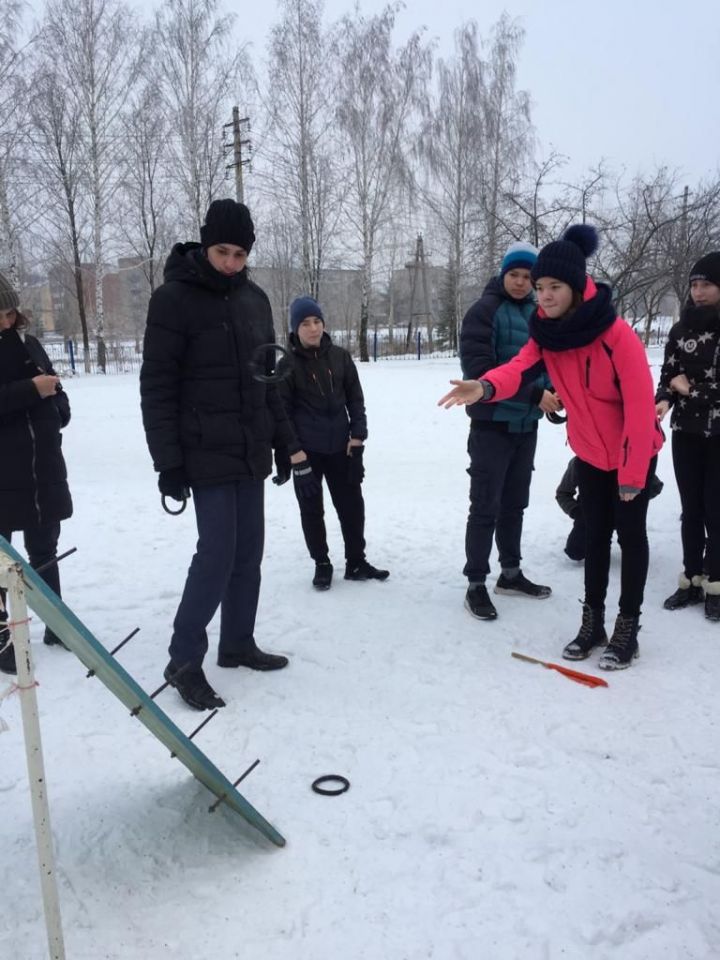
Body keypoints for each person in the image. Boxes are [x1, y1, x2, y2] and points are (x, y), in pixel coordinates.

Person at [440, 225, 664, 670]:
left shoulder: (617, 336)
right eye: (539, 287)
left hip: (630, 453)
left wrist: (633, 476)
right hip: (590, 454)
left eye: (552, 287)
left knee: (630, 537)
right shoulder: (546, 335)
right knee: (595, 536)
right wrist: (484, 387)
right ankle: (593, 622)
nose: (542, 295)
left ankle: (627, 628)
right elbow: (516, 370)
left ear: (578, 287)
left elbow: (641, 412)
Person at [140, 199, 305, 710]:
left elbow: (270, 379)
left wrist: (282, 441)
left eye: (240, 253)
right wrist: (167, 462)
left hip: (249, 446)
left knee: (248, 552)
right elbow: (157, 386)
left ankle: (236, 643)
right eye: (222, 251)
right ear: (204, 246)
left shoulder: (255, 300)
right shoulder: (173, 300)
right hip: (203, 450)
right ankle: (184, 659)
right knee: (216, 553)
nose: (232, 262)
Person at [459, 241, 559, 621]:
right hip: (491, 426)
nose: (520, 283)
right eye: (514, 275)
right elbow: (480, 370)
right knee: (485, 506)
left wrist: (554, 394)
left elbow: (547, 366)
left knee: (515, 504)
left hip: (525, 427)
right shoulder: (484, 312)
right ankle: (476, 583)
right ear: (503, 274)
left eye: (527, 277)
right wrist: (536, 394)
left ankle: (511, 574)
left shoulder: (540, 316)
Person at [276, 296, 389, 589]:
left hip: (342, 447)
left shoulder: (340, 357)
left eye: (317, 321)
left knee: (352, 506)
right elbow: (281, 414)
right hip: (307, 453)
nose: (313, 328)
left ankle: (356, 561)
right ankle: (322, 563)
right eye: (305, 323)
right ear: (295, 329)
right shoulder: (286, 365)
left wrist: (358, 436)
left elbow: (355, 399)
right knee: (312, 510)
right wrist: (295, 453)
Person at [0, 272, 72, 674]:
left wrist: (58, 411)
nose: (5, 322)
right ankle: (2, 638)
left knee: (45, 547)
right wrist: (32, 391)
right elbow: (34, 389)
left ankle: (58, 624)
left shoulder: (30, 345)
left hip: (42, 463)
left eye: (9, 313)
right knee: (0, 559)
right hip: (2, 470)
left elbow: (56, 391)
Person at [656, 251, 720, 620]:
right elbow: (669, 375)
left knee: (716, 508)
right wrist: (664, 400)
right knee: (691, 509)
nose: (698, 291)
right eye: (695, 284)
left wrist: (689, 391)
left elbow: (685, 384)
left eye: (707, 284)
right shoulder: (681, 330)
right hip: (687, 432)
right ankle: (692, 577)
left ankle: (715, 582)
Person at [556, 456, 664, 562]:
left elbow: (655, 486)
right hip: (591, 514)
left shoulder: (627, 460)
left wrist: (633, 503)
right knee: (575, 551)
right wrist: (577, 512)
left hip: (623, 512)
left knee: (633, 551)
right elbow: (563, 493)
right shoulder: (579, 461)